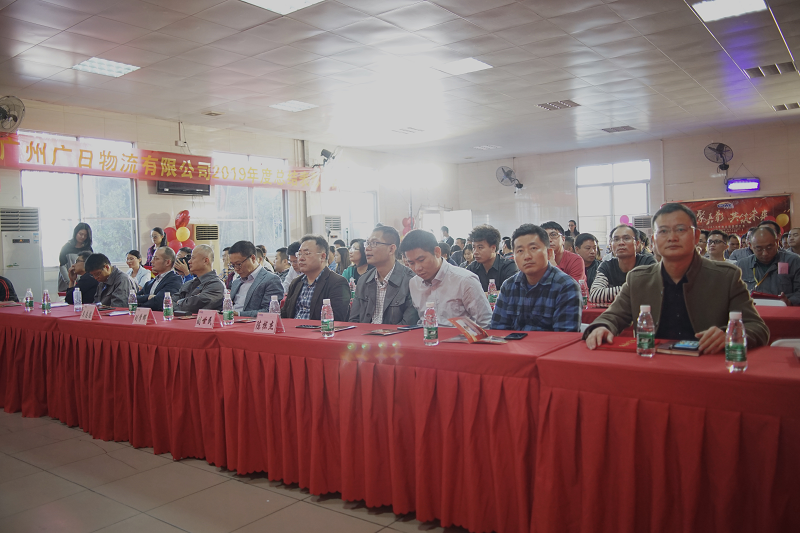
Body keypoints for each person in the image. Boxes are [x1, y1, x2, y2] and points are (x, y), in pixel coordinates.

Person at [585, 203, 769, 353]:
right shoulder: (639, 279)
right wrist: (602, 327)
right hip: (654, 365)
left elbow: (757, 327)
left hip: (709, 365)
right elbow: (612, 316)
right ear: (654, 241)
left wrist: (728, 334)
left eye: (680, 229)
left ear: (696, 236)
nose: (672, 237)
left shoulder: (726, 276)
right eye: (663, 231)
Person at [491, 224, 581, 332]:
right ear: (513, 257)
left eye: (533, 248)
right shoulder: (508, 286)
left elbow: (565, 337)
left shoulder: (566, 286)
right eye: (520, 251)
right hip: (512, 343)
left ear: (549, 253)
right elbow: (498, 332)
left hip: (550, 343)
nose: (527, 256)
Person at [401, 229, 492, 328]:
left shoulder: (465, 280)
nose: (417, 268)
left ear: (437, 252)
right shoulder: (414, 283)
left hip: (460, 337)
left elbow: (485, 323)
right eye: (411, 263)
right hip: (427, 336)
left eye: (421, 260)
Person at [350, 225, 419, 325]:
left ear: (391, 249)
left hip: (396, 335)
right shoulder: (363, 280)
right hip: (365, 334)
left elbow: (408, 325)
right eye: (367, 243)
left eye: (374, 243)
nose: (367, 248)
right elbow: (354, 321)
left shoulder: (411, 280)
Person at [282, 235, 351, 321]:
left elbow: (337, 319)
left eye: (307, 253)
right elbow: (284, 314)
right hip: (292, 329)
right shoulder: (296, 283)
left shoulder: (337, 283)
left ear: (322, 256)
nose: (301, 258)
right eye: (299, 254)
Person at [589, 224, 657, 305]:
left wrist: (611, 293)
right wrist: (635, 290)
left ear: (637, 244)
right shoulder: (607, 266)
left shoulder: (647, 263)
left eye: (626, 238)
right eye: (616, 239)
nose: (621, 243)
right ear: (611, 245)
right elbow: (595, 294)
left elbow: (653, 291)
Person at [736, 226, 800, 306]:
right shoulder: (741, 265)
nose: (765, 253)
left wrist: (790, 301)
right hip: (752, 310)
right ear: (750, 245)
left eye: (769, 248)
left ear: (777, 242)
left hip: (784, 310)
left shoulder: (793, 261)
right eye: (759, 249)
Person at [228, 240, 284, 316]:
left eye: (238, 264)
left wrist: (239, 314)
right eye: (233, 265)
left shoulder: (271, 280)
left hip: (252, 322)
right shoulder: (236, 282)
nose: (236, 269)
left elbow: (269, 311)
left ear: (253, 258)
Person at [173, 244, 225, 314]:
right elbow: (170, 302)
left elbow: (192, 307)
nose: (189, 261)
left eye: (193, 258)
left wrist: (179, 302)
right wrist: (182, 304)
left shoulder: (216, 285)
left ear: (205, 261)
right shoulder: (189, 283)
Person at [466, 224, 518, 292]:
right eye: (473, 247)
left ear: (493, 248)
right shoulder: (472, 268)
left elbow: (510, 292)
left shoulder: (509, 266)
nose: (475, 252)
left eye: (480, 247)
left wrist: (481, 295)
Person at [137, 246, 182, 311]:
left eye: (156, 259)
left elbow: (159, 302)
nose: (151, 261)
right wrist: (147, 297)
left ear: (167, 262)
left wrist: (140, 305)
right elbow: (134, 298)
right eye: (152, 258)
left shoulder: (175, 280)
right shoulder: (149, 283)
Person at [58, 222, 93, 292]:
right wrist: (70, 281)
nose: (82, 237)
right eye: (81, 234)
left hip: (83, 283)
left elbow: (90, 267)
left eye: (85, 235)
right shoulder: (66, 247)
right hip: (67, 282)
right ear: (76, 233)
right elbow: (62, 266)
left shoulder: (88, 249)